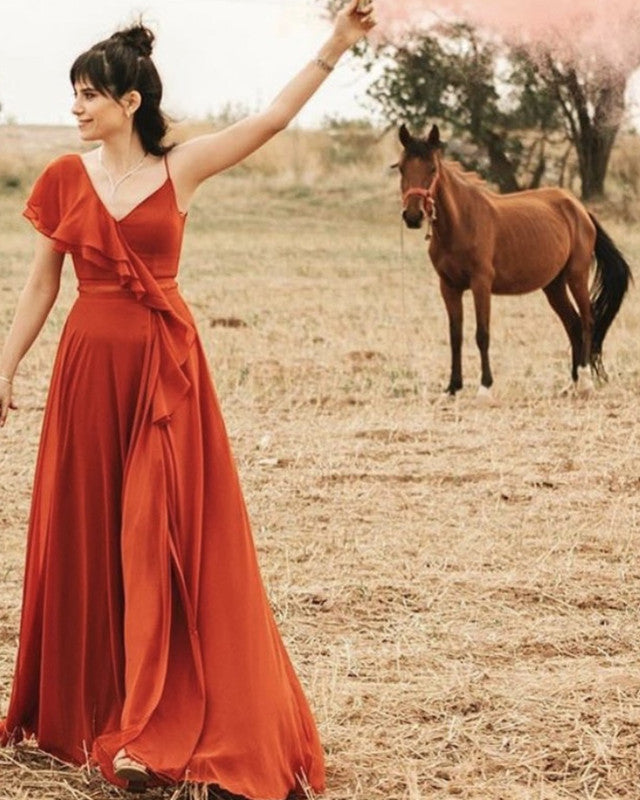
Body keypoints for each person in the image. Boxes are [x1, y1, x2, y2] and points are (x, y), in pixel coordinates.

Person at [0, 2, 376, 796]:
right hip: (87, 371)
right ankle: (98, 714)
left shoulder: (183, 168)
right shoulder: (65, 178)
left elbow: (273, 121)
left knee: (154, 533)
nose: (74, 107)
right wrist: (3, 368)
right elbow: (40, 286)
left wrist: (335, 44)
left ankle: (162, 720)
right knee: (92, 531)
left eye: (87, 94)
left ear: (128, 102)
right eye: (72, 93)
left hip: (164, 376)